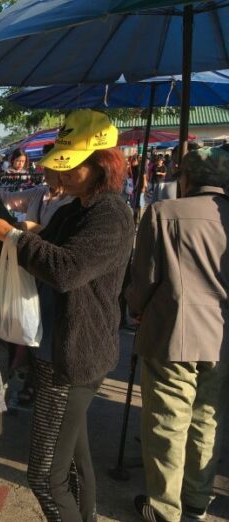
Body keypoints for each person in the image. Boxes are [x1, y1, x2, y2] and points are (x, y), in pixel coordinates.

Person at [0, 109, 134, 522]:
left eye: (72, 167)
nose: (61, 176)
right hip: (59, 353)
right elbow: (45, 254)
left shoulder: (111, 214)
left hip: (72, 359)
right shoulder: (73, 210)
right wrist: (13, 232)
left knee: (44, 476)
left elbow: (66, 269)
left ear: (101, 165)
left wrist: (9, 235)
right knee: (73, 463)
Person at [125, 146, 229, 522]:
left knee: (167, 421)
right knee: (208, 419)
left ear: (186, 178)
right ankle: (198, 501)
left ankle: (165, 508)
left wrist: (134, 309)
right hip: (222, 335)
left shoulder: (164, 213)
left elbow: (144, 281)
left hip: (173, 331)